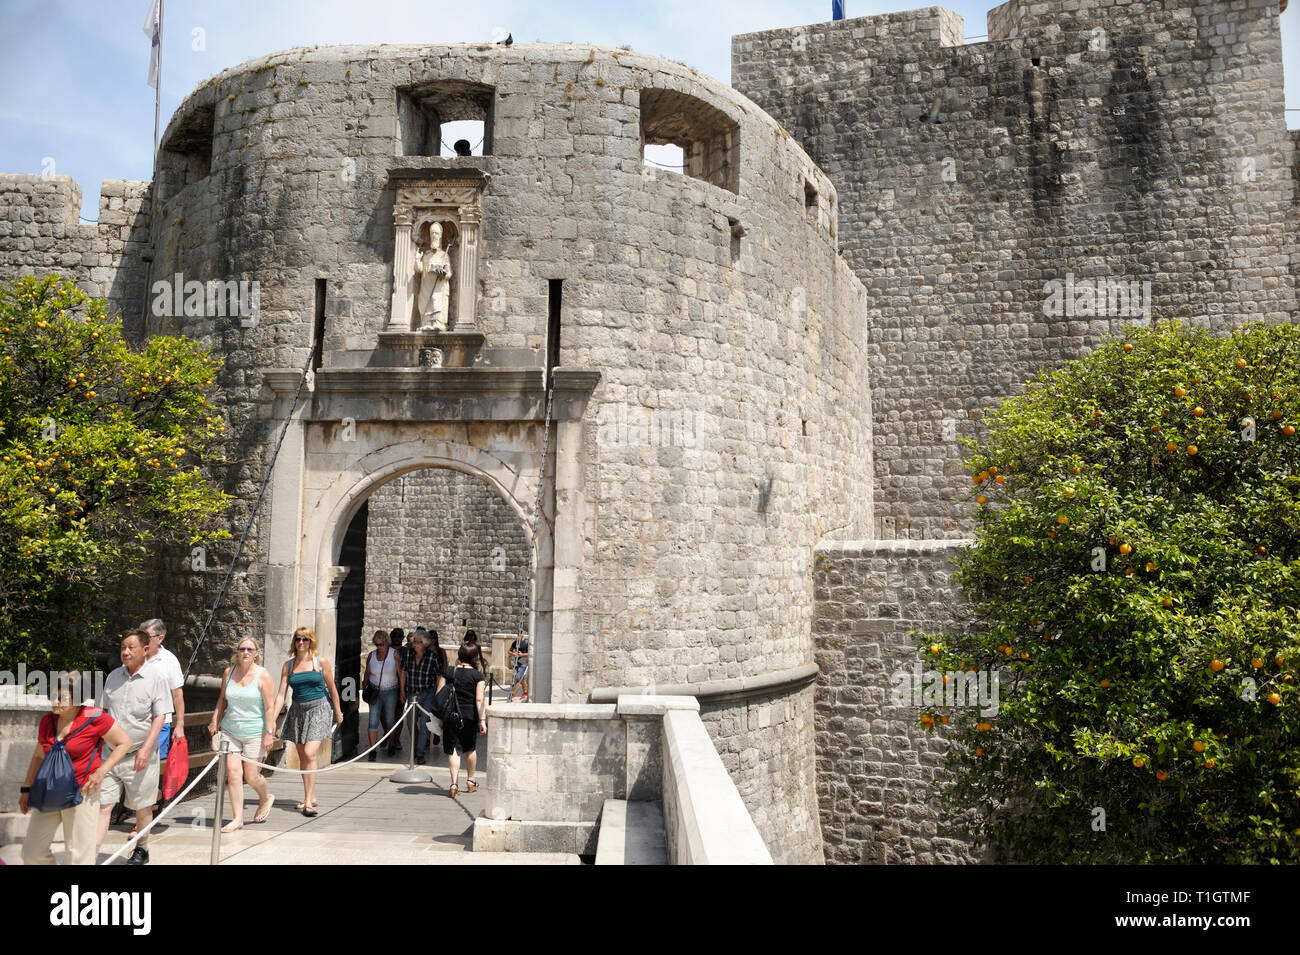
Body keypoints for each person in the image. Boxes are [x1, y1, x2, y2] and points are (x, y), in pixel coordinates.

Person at [20, 672, 132, 865]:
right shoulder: (48, 721)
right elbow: (39, 755)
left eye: (61, 697)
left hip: (82, 792)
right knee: (32, 852)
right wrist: (26, 789)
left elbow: (124, 742)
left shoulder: (94, 717)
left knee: (79, 856)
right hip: (49, 791)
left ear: (77, 698)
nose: (55, 700)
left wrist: (101, 772)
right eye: (53, 695)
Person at [96, 630, 173, 865]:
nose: (126, 652)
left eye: (131, 647)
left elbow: (160, 716)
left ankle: (142, 848)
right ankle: (89, 854)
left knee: (142, 805)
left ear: (145, 649)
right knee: (104, 805)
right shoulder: (113, 678)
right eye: (123, 647)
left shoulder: (157, 677)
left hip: (140, 752)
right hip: (111, 753)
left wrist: (145, 749)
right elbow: (103, 713)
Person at [271, 626, 344, 817]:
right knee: (303, 756)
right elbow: (281, 695)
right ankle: (308, 796)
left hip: (319, 708)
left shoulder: (321, 662)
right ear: (294, 642)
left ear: (311, 641)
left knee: (311, 753)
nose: (301, 642)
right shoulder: (288, 665)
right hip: (298, 710)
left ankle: (309, 802)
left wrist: (338, 711)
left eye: (305, 639)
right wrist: (271, 719)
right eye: (298, 639)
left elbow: (332, 688)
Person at [207, 637, 277, 831]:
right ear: (237, 652)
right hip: (230, 731)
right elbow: (222, 699)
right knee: (233, 774)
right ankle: (237, 818)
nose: (245, 652)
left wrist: (269, 733)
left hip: (255, 731)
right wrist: (215, 719)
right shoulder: (228, 673)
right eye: (241, 649)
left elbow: (270, 707)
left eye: (249, 649)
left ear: (256, 653)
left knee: (252, 776)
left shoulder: (263, 676)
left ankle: (265, 797)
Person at [436, 643, 486, 798]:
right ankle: (471, 781)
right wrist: (482, 720)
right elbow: (479, 699)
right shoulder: (478, 676)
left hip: (451, 715)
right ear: (475, 657)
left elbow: (439, 693)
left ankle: (453, 784)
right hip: (469, 716)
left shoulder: (449, 671)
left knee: (453, 749)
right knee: (470, 748)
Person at [138, 618, 185, 764]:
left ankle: (155, 788)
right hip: (136, 721)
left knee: (155, 764)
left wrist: (180, 724)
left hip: (161, 722)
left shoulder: (169, 660)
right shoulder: (134, 656)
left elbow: (177, 694)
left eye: (146, 636)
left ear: (160, 638)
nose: (142, 640)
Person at [397, 630, 441, 762]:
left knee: (424, 724)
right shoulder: (408, 655)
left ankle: (420, 753)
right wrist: (402, 691)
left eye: (418, 642)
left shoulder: (432, 657)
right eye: (414, 641)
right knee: (410, 724)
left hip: (427, 693)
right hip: (412, 693)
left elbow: (439, 675)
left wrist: (437, 694)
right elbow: (403, 672)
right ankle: (415, 746)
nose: (415, 644)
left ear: (425, 644)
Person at [363, 630, 400, 762]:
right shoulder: (371, 656)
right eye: (377, 644)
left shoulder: (394, 654)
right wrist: (364, 686)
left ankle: (391, 744)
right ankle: (373, 750)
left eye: (382, 644)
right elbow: (367, 673)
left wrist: (402, 692)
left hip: (391, 691)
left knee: (390, 719)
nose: (379, 647)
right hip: (375, 691)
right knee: (373, 721)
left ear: (387, 643)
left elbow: (401, 673)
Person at [386, 627, 407, 755]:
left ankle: (396, 739)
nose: (397, 639)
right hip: (387, 686)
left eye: (399, 636)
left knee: (398, 715)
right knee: (386, 714)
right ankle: (389, 736)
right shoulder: (386, 651)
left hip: (400, 686)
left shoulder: (406, 652)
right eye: (395, 636)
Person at [509, 626, 530, 703]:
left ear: (523, 633)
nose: (519, 634)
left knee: (518, 678)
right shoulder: (515, 642)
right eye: (518, 632)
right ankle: (525, 692)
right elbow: (509, 651)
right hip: (517, 663)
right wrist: (514, 653)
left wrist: (522, 655)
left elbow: (530, 653)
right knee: (522, 679)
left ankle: (512, 695)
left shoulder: (527, 643)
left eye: (521, 632)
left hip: (524, 662)